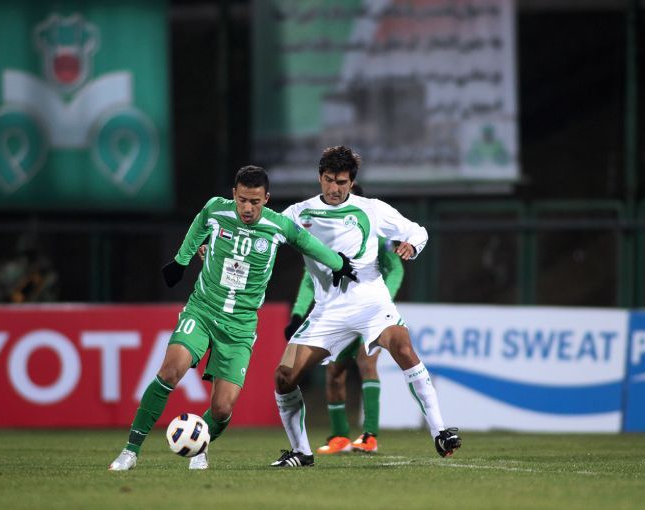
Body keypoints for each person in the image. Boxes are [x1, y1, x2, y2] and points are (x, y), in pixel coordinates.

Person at [108, 165, 357, 471]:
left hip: (240, 326)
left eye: (255, 201)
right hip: (203, 310)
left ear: (266, 199)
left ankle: (200, 445)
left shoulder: (278, 226)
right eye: (242, 200)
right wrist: (181, 261)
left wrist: (338, 264)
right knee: (170, 371)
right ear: (234, 194)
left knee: (222, 408)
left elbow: (308, 243)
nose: (247, 208)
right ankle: (130, 451)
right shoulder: (217, 209)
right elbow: (199, 224)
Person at [271, 146, 461, 468]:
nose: (334, 188)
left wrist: (411, 244)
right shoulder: (298, 213)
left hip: (371, 303)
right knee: (283, 376)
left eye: (341, 182)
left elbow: (418, 231)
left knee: (403, 347)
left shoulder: (371, 209)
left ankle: (440, 432)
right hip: (327, 311)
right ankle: (301, 452)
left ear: (351, 181)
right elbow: (263, 235)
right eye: (328, 179)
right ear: (319, 177)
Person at [284, 184, 404, 455]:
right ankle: (340, 437)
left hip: (369, 311)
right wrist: (297, 314)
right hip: (337, 313)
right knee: (334, 371)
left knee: (366, 362)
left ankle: (370, 436)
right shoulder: (323, 236)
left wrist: (382, 303)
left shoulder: (374, 232)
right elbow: (310, 279)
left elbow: (395, 268)